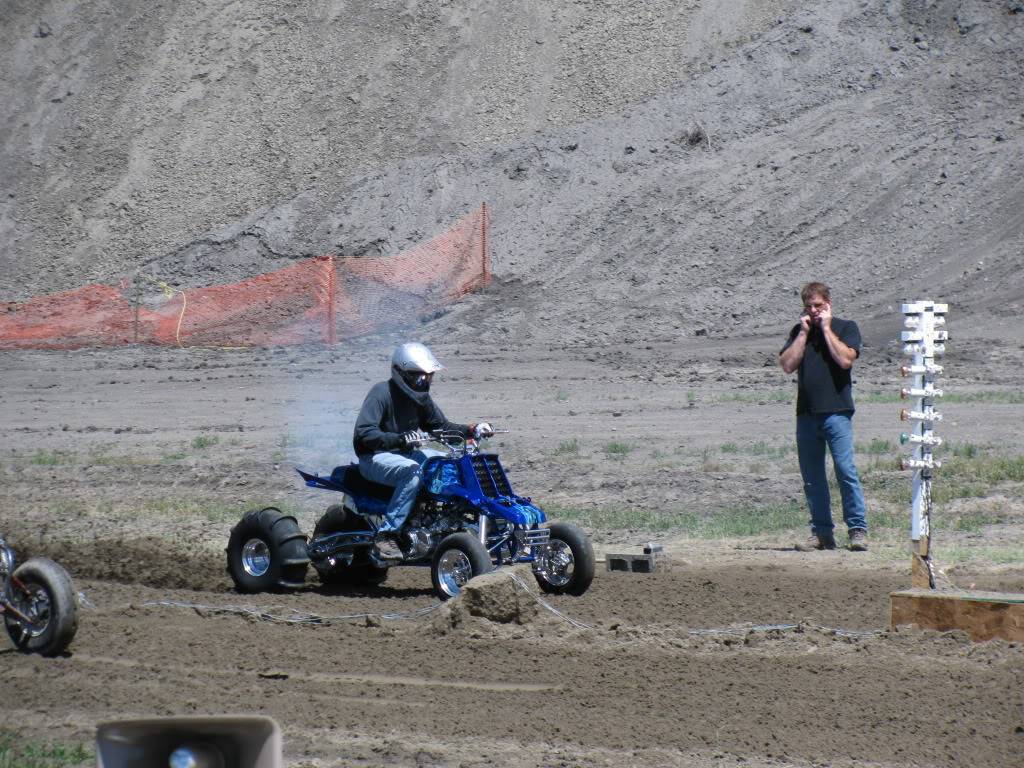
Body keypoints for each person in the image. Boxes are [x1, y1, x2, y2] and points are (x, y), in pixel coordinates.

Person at [353, 342, 492, 558]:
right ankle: (387, 534)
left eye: (428, 377)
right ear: (402, 374)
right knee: (412, 472)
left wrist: (471, 430)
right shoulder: (381, 393)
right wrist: (398, 439)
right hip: (375, 457)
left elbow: (442, 428)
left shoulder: (421, 399)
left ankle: (446, 522)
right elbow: (364, 434)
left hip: (405, 454)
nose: (425, 381)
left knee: (448, 463)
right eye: (420, 377)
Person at [779, 282, 869, 552]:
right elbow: (787, 364)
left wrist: (827, 328)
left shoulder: (845, 327)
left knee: (845, 470)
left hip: (836, 412)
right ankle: (821, 533)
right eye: (809, 306)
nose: (814, 311)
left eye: (818, 305)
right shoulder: (799, 332)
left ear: (828, 303)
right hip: (807, 413)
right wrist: (804, 333)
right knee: (812, 476)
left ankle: (857, 529)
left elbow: (845, 360)